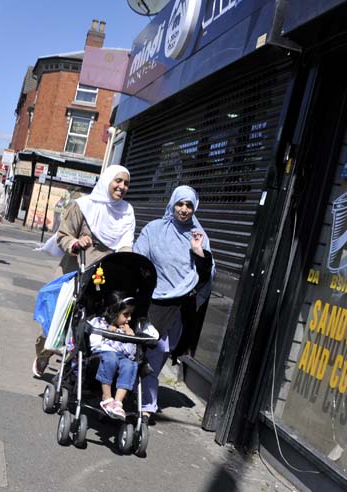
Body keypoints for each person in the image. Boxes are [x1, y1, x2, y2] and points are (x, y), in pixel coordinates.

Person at [33, 164, 135, 377]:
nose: (122, 186)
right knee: (57, 321)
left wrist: (126, 262)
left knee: (88, 326)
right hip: (74, 271)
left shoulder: (127, 211)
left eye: (126, 183)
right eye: (118, 181)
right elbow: (63, 235)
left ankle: (70, 370)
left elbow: (126, 243)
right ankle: (44, 353)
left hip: (102, 279)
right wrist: (76, 242)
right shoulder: (83, 206)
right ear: (107, 180)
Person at [133, 185, 214, 421]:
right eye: (180, 204)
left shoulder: (198, 235)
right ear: (172, 204)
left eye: (189, 205)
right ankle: (147, 404)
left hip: (181, 307)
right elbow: (140, 260)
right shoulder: (154, 229)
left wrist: (198, 252)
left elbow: (206, 274)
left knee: (162, 352)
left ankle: (142, 399)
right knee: (152, 349)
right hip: (154, 302)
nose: (184, 209)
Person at [88, 293, 138, 420]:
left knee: (130, 364)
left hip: (122, 357)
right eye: (126, 315)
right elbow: (93, 344)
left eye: (130, 315)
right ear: (113, 312)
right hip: (103, 354)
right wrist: (107, 333)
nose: (129, 319)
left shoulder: (125, 330)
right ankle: (107, 397)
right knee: (111, 358)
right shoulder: (99, 323)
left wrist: (130, 337)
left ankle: (118, 403)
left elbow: (131, 354)